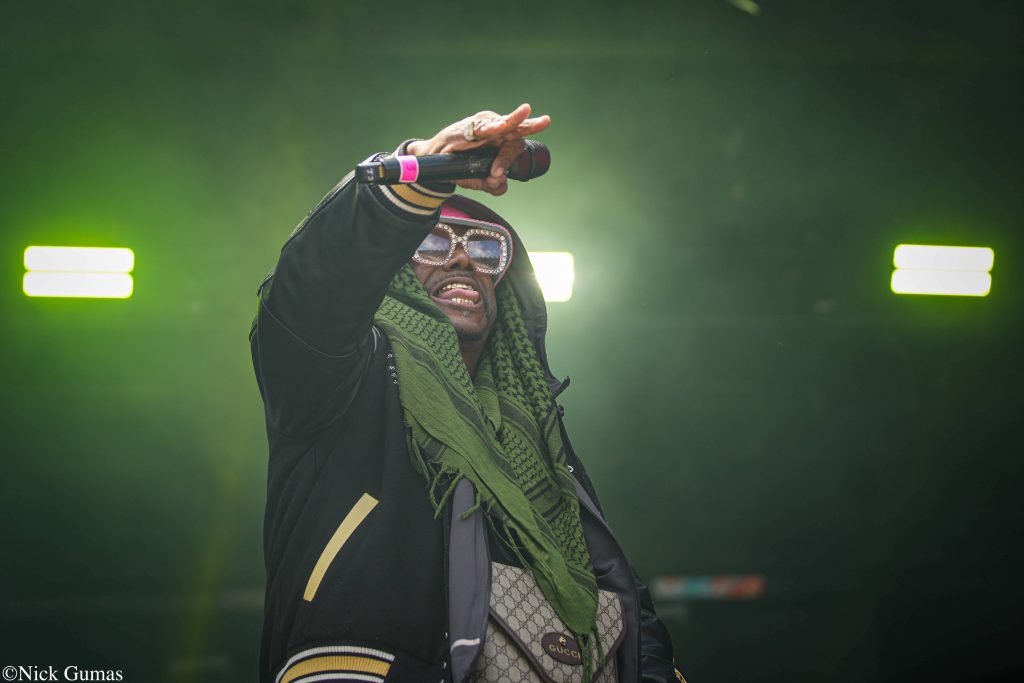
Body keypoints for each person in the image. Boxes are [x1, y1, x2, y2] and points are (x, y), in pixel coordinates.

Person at [250, 104, 685, 683]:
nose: (461, 258)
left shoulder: (535, 428)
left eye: (484, 250)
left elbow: (617, 586)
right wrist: (426, 168)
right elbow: (315, 286)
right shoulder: (342, 376)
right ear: (394, 269)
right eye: (431, 242)